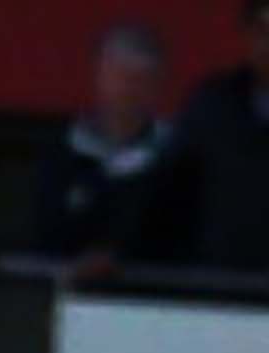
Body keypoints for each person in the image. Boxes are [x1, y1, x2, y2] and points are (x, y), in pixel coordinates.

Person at [125, 2, 269, 273]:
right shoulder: (213, 106)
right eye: (263, 30)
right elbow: (165, 196)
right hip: (216, 291)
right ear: (248, 36)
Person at [31, 23, 170, 264]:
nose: (128, 89)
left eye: (140, 79)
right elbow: (37, 236)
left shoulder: (177, 157)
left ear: (157, 84)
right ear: (99, 76)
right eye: (119, 75)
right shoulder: (61, 153)